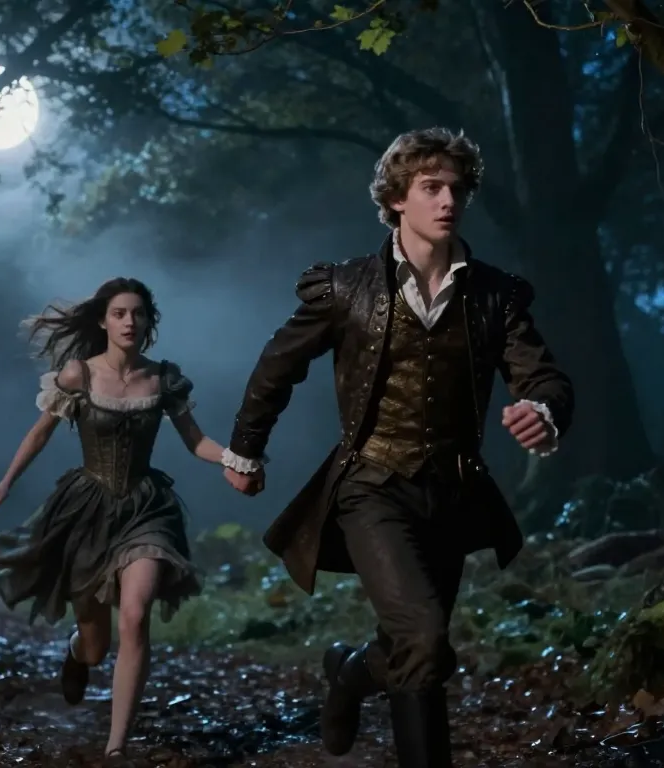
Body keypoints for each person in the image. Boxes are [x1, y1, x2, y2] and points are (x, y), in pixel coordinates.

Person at [219, 128, 575, 767]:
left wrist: (543, 412)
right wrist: (246, 449)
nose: (448, 201)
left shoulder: (495, 295)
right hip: (371, 487)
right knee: (425, 638)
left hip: (454, 491)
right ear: (395, 199)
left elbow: (543, 376)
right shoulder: (347, 287)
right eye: (431, 187)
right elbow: (278, 365)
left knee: (412, 647)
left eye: (456, 189)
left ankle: (350, 675)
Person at [0, 277, 229, 763]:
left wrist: (234, 459)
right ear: (103, 321)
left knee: (135, 614)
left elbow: (197, 441)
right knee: (96, 647)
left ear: (149, 321)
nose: (129, 321)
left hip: (146, 509)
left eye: (138, 313)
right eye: (119, 313)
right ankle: (78, 653)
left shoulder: (163, 379)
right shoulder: (79, 374)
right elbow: (40, 433)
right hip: (88, 512)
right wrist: (5, 482)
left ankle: (116, 748)